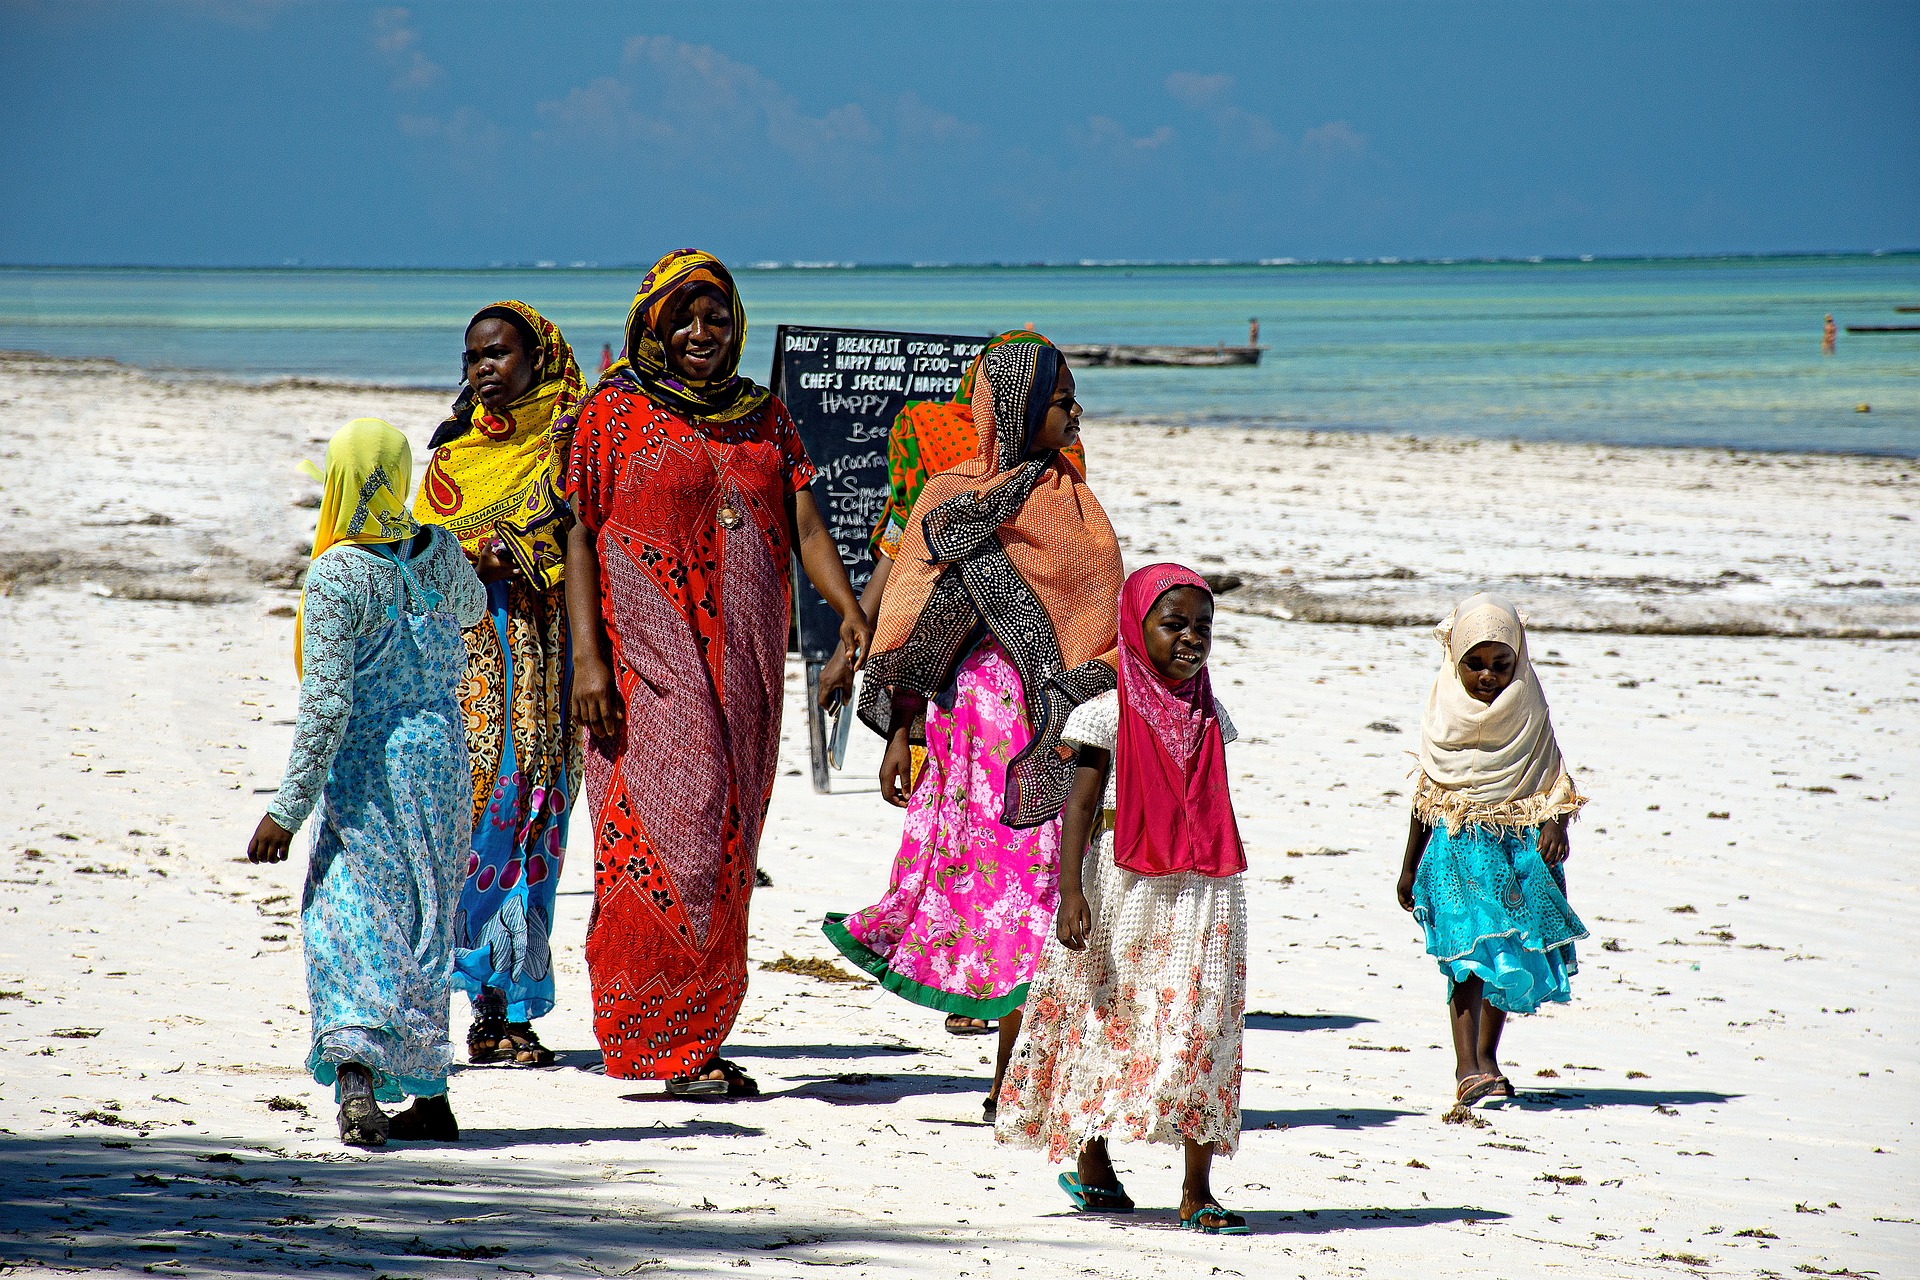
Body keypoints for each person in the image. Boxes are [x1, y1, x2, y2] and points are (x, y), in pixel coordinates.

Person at [564, 249, 872, 1096]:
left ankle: (694, 1042)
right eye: (685, 318)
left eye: (717, 318)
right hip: (645, 660)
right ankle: (649, 1033)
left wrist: (847, 609)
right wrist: (587, 660)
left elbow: (806, 522)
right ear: (653, 324)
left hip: (747, 665)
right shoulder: (612, 413)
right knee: (668, 833)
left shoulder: (766, 417)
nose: (702, 333)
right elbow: (581, 534)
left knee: (730, 840)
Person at [823, 336, 1122, 1116]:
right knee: (996, 896)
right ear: (1021, 409)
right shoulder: (947, 497)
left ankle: (1014, 1076)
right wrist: (901, 731)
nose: (1075, 411)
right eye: (1061, 400)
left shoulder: (1075, 506)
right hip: (964, 737)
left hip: (1045, 733)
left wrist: (1086, 712)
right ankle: (1010, 1076)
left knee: (1043, 890)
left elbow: (1096, 623)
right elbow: (912, 619)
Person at [247, 418, 486, 1148]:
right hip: (444, 757)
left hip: (370, 763)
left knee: (348, 912)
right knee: (427, 917)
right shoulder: (438, 546)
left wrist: (286, 811)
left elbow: (328, 703)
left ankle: (357, 1086)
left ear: (343, 481)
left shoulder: (338, 572)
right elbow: (475, 612)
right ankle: (431, 1095)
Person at [998, 565, 1250, 1235]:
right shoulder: (1103, 714)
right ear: (1136, 631)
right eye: (1173, 625)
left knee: (1202, 1024)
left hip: (1203, 889)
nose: (1190, 638)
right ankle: (1092, 1162)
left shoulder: (1211, 713)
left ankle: (1198, 1188)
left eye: (1203, 626)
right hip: (1118, 885)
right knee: (1104, 1013)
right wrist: (1072, 891)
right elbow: (1080, 805)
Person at [414, 301, 584, 1068]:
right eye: (473, 356)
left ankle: (504, 1011)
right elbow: (414, 556)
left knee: (538, 826)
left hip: (551, 664)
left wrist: (525, 560)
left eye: (500, 354)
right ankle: (460, 989)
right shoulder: (452, 457)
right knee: (480, 823)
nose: (484, 368)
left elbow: (593, 535)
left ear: (537, 359)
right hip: (473, 673)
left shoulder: (572, 443)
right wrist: (468, 563)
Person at [816, 330, 1086, 705]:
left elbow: (1076, 573)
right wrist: (843, 654)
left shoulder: (1059, 460)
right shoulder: (929, 436)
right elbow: (908, 559)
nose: (1074, 411)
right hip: (946, 668)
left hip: (1042, 666)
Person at [1394, 593, 1588, 1106]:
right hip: (1456, 851)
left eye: (1501, 665)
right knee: (1468, 959)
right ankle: (1466, 1067)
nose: (1487, 676)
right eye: (1474, 665)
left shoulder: (1529, 712)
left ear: (1518, 661)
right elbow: (1426, 796)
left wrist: (1557, 824)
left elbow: (1554, 777)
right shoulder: (1443, 718)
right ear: (1453, 659)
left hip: (1514, 852)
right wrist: (1408, 868)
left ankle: (1487, 1061)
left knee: (1504, 954)